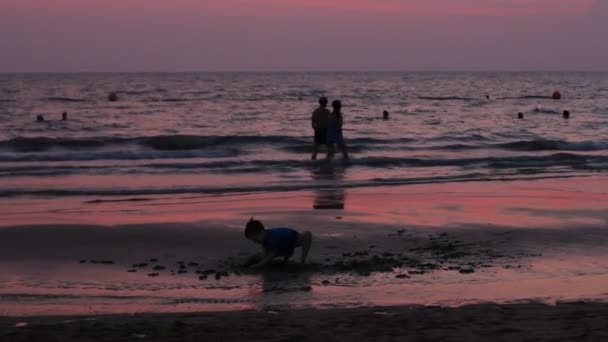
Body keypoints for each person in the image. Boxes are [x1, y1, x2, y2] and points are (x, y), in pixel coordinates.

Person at [244, 218, 312, 268]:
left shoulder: (272, 238)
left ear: (261, 232)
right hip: (281, 247)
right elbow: (265, 251)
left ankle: (302, 261)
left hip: (293, 240)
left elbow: (271, 256)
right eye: (253, 240)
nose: (254, 242)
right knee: (258, 256)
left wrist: (258, 265)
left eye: (255, 239)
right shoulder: (264, 237)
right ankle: (245, 264)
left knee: (307, 235)